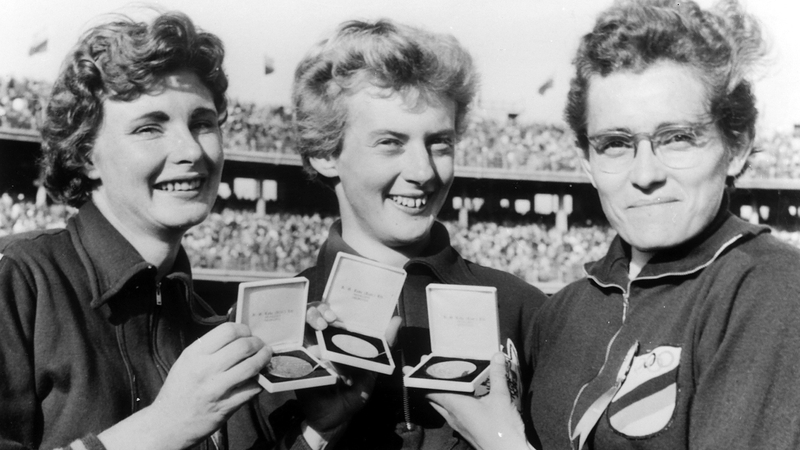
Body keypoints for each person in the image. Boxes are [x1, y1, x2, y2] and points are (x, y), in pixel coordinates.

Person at [424, 1, 800, 449]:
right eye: (616, 144)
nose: (644, 175)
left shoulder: (769, 288)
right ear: (586, 161)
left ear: (736, 147)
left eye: (677, 138)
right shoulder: (562, 312)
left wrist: (501, 440)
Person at [230, 19, 547, 450]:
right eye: (390, 143)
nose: (422, 172)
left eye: (440, 143)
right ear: (326, 153)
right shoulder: (264, 322)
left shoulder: (523, 308)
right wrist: (314, 436)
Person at [0, 11, 271, 450]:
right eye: (150, 127)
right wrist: (164, 426)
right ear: (86, 154)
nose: (189, 150)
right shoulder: (19, 280)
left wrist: (317, 431)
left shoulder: (205, 322)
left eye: (203, 123)